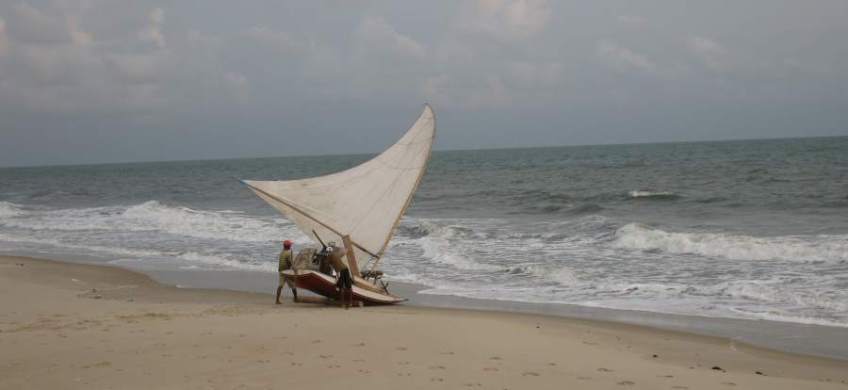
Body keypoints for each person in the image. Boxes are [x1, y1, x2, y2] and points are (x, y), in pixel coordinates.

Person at [327, 244, 353, 309]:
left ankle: (342, 304)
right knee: (348, 286)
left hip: (340, 270)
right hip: (346, 269)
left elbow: (328, 264)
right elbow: (344, 250)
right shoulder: (336, 254)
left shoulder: (329, 255)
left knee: (340, 287)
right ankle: (350, 303)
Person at [276, 240, 297, 304]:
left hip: (281, 271)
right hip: (287, 272)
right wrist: (295, 271)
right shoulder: (288, 253)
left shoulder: (282, 252)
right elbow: (291, 263)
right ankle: (296, 298)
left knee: (280, 286)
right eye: (290, 245)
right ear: (289, 246)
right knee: (293, 286)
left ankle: (277, 300)